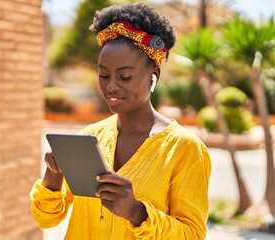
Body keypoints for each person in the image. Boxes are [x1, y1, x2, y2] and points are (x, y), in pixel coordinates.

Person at [30, 2, 211, 239]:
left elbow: (193, 234)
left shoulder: (185, 149)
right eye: (104, 75)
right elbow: (46, 218)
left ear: (153, 75)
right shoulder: (88, 138)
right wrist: (53, 178)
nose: (111, 86)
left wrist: (137, 213)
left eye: (125, 76)